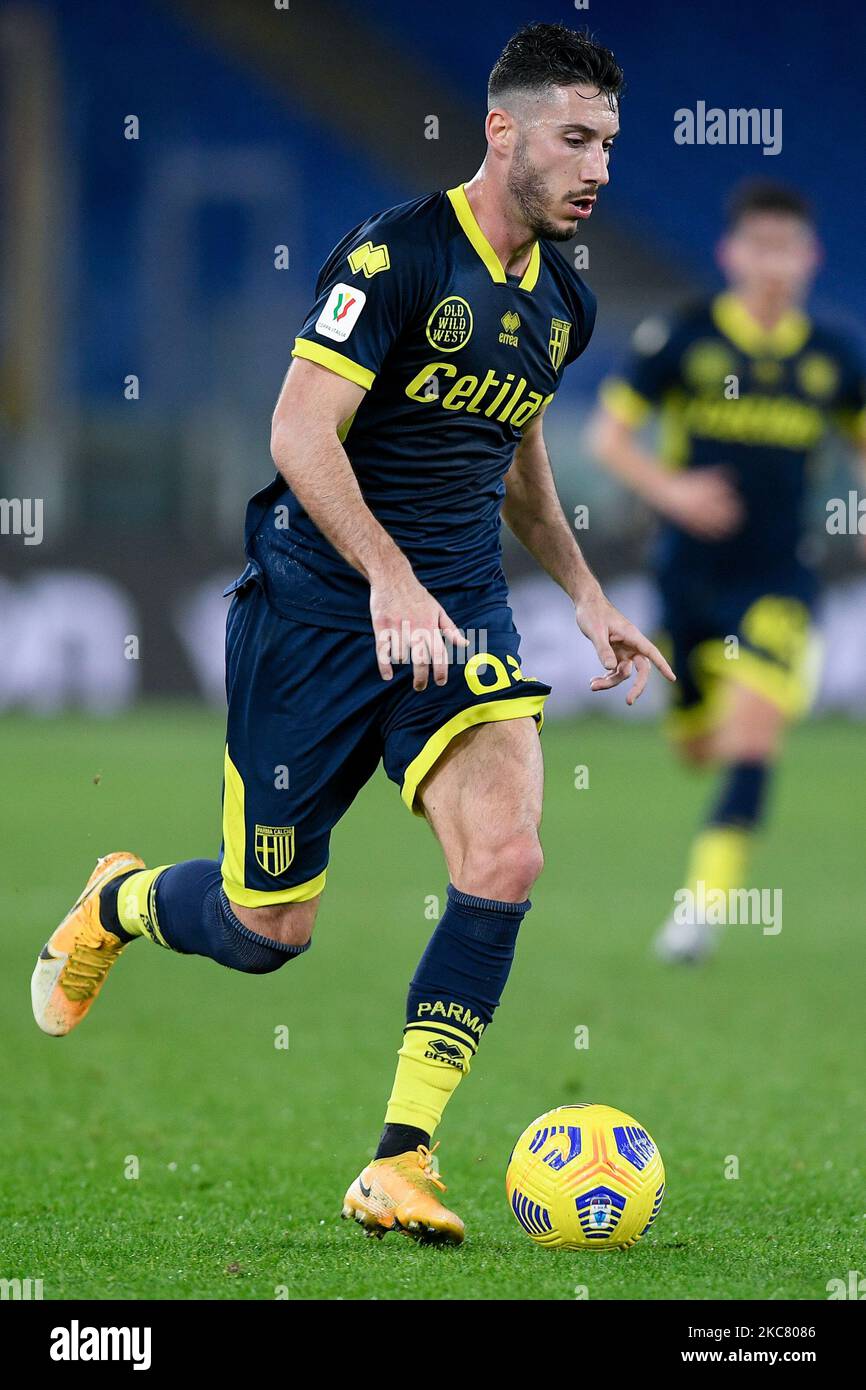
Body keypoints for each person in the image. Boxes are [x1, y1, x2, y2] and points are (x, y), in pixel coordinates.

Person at [32, 23, 672, 1244]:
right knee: (269, 929)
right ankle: (116, 905)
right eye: (576, 139)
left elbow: (516, 462)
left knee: (506, 856)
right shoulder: (395, 255)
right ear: (503, 130)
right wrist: (382, 574)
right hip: (316, 614)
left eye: (610, 145)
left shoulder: (564, 301)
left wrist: (585, 593)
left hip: (456, 621)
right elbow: (295, 432)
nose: (597, 167)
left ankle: (399, 1158)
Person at [591, 180, 866, 963]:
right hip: (689, 579)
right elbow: (610, 439)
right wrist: (671, 489)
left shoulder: (835, 356)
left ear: (809, 258)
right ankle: (690, 716)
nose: (774, 264)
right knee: (697, 746)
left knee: (753, 735)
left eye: (789, 249)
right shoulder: (685, 337)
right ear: (731, 254)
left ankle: (700, 911)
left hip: (780, 579)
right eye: (760, 247)